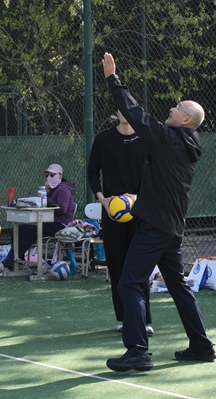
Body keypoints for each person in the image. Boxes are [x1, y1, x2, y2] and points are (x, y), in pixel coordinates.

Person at [100, 52, 215, 373]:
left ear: (185, 120)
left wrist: (113, 80)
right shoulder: (185, 143)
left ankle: (138, 351)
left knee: (129, 283)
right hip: (171, 229)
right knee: (178, 286)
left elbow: (135, 115)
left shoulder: (169, 140)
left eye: (177, 108)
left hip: (154, 227)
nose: (171, 109)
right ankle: (202, 345)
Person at [87, 104, 154, 335]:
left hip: (140, 213)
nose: (125, 111)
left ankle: (144, 319)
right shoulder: (103, 139)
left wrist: (139, 198)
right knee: (117, 266)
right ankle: (125, 318)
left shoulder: (147, 139)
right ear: (116, 112)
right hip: (112, 214)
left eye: (130, 107)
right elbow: (92, 173)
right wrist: (103, 200)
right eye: (121, 107)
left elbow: (156, 175)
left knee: (139, 266)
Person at [0, 164, 76, 277]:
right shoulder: (54, 189)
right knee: (17, 229)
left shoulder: (63, 189)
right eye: (47, 175)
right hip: (48, 221)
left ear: (60, 176)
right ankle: (19, 262)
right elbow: (48, 204)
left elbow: (62, 209)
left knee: (28, 232)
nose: (49, 177)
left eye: (52, 175)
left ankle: (7, 264)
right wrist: (46, 195)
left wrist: (45, 198)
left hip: (59, 224)